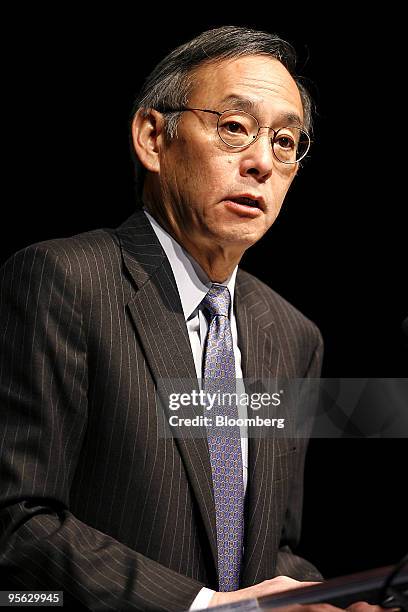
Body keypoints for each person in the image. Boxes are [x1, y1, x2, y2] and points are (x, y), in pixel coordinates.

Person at [0, 25, 347, 611]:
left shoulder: (293, 336)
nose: (262, 161)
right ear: (153, 137)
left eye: (286, 142)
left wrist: (319, 599)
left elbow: (273, 546)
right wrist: (198, 606)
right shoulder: (63, 282)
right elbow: (18, 520)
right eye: (235, 128)